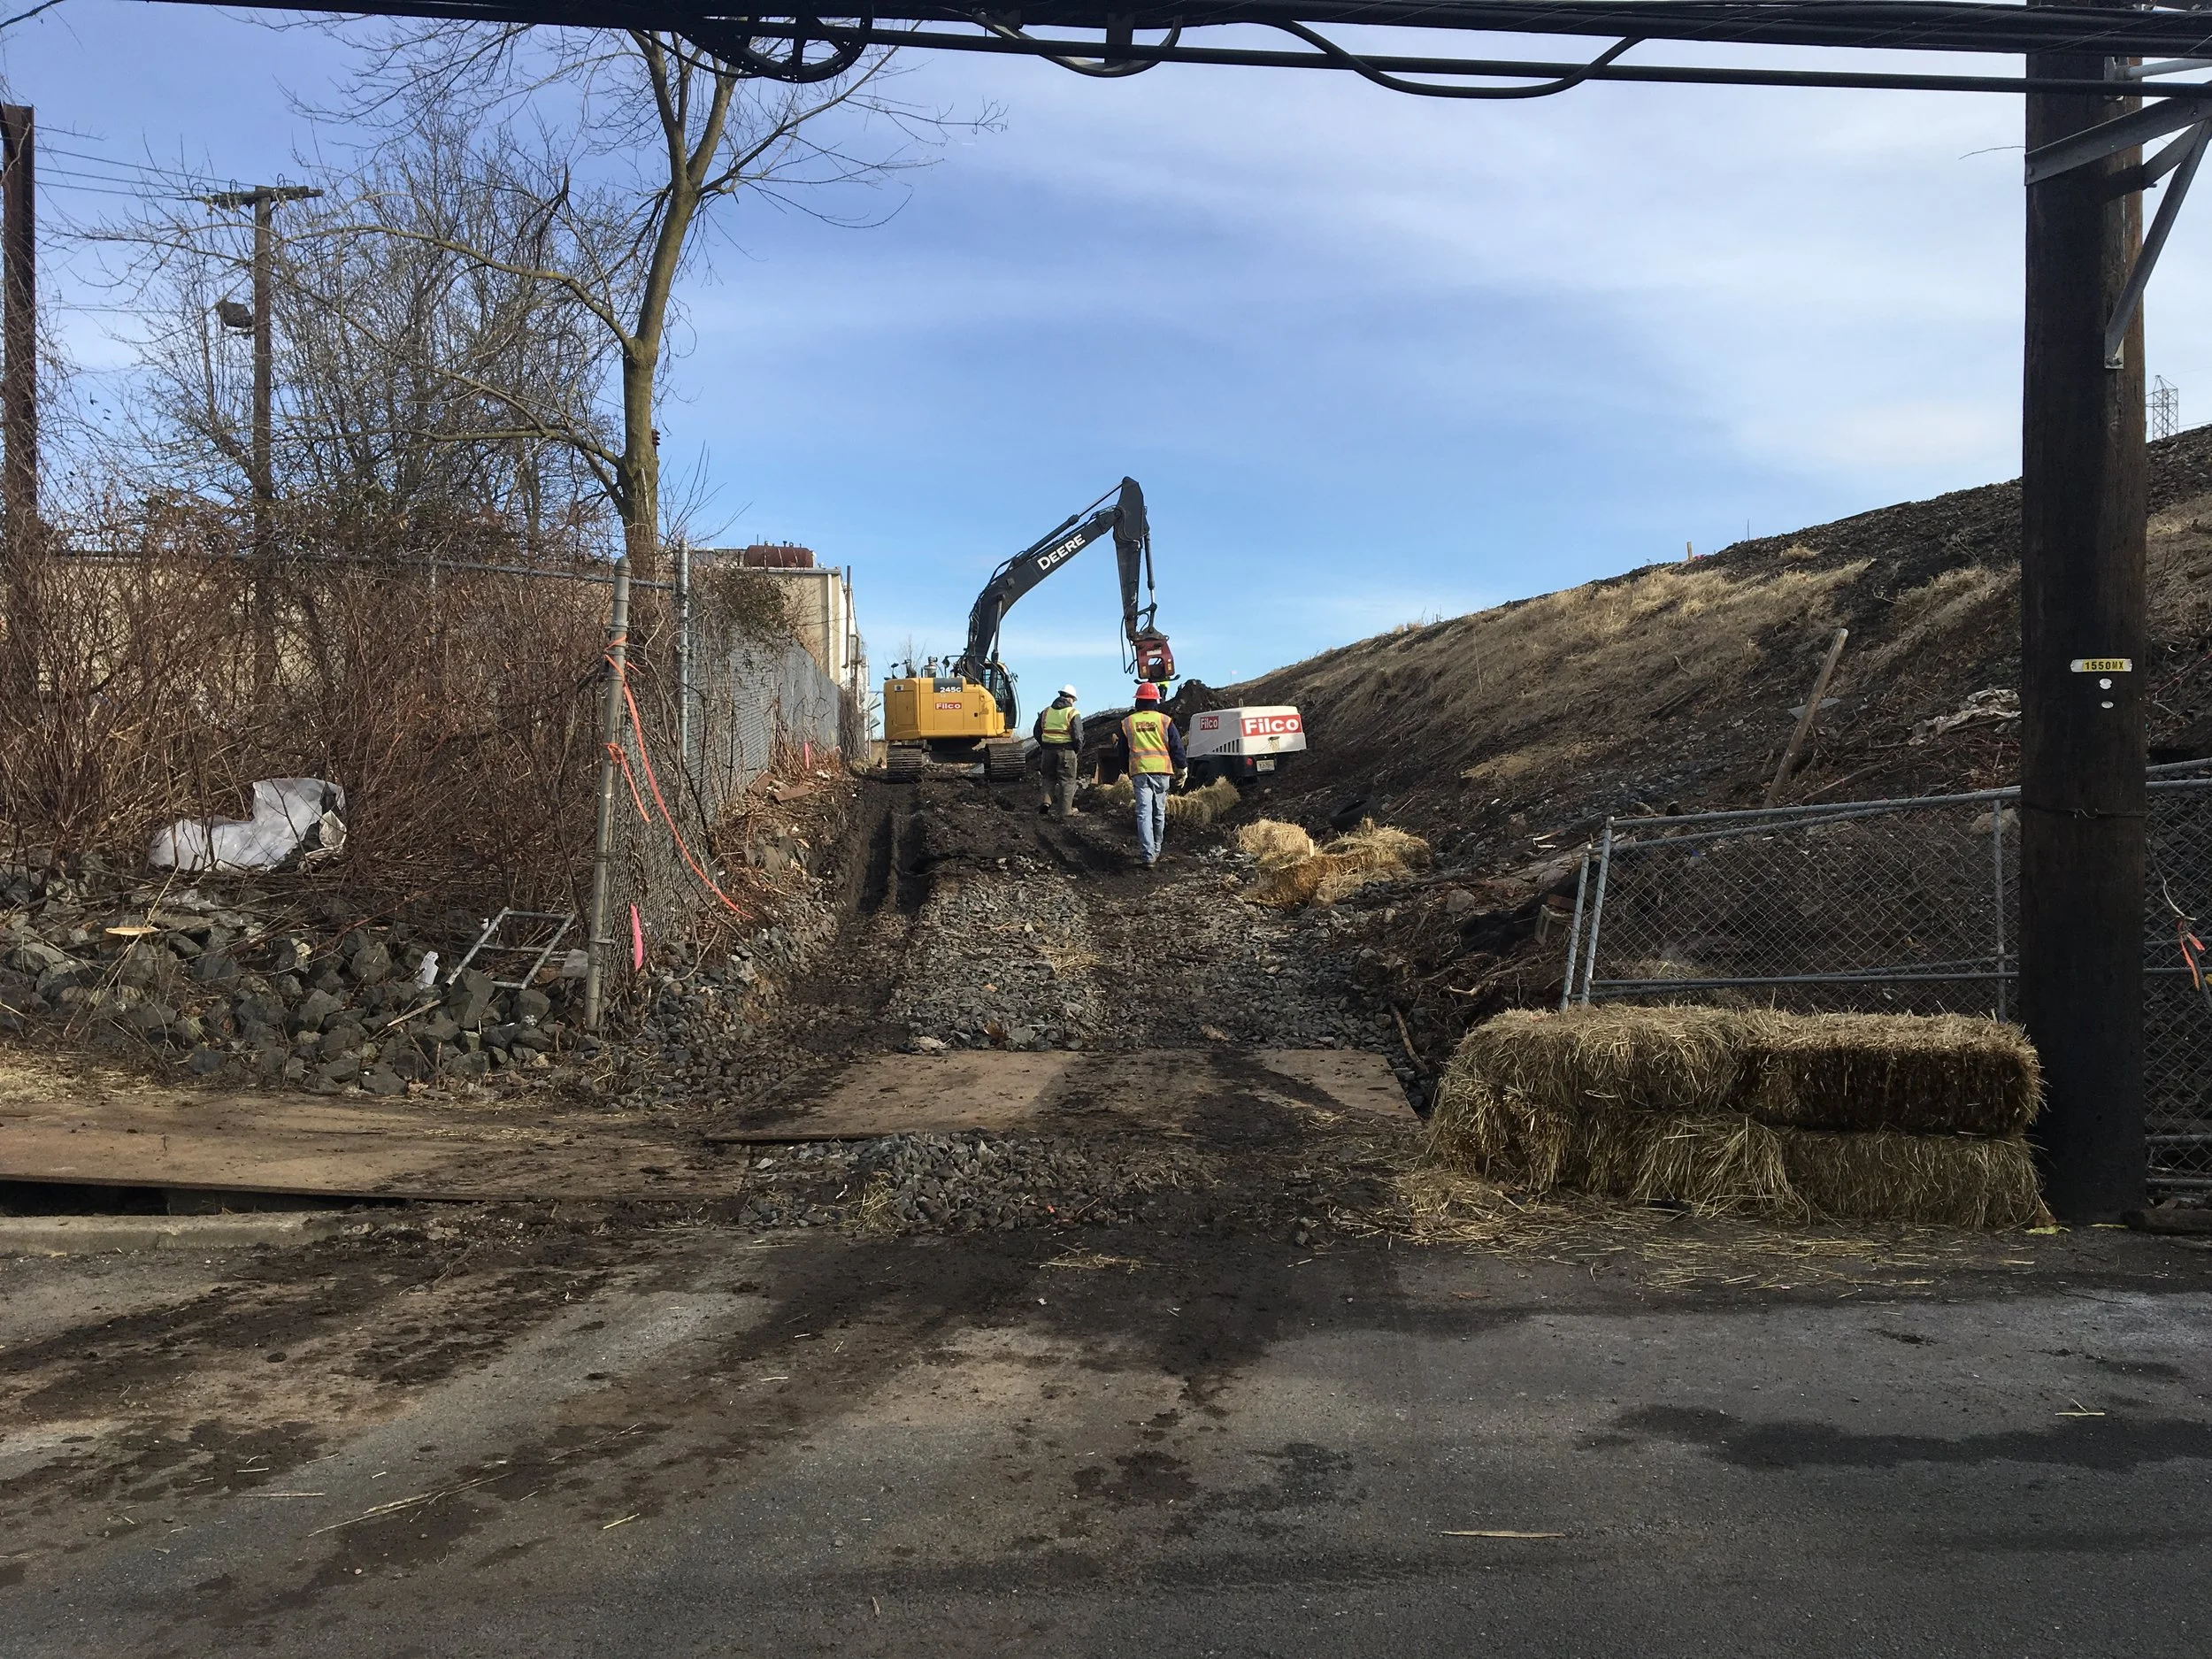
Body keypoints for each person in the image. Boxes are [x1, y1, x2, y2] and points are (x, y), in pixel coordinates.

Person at [1115, 682, 1186, 870]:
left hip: (1140, 771)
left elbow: (1122, 751)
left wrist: (1125, 769)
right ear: (1156, 700)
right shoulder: (1165, 720)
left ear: (1138, 700)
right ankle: (1157, 847)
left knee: (1143, 813)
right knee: (1159, 811)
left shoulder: (1128, 722)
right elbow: (1177, 746)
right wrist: (1183, 767)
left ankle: (1148, 856)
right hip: (1162, 771)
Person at [1033, 685, 1084, 818]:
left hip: (1047, 751)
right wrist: (1076, 750)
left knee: (1048, 778)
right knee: (1067, 781)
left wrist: (1044, 745)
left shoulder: (1046, 712)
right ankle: (1065, 811)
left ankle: (1045, 803)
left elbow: (1037, 732)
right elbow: (1078, 735)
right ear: (1071, 698)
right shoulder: (1072, 713)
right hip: (1066, 751)